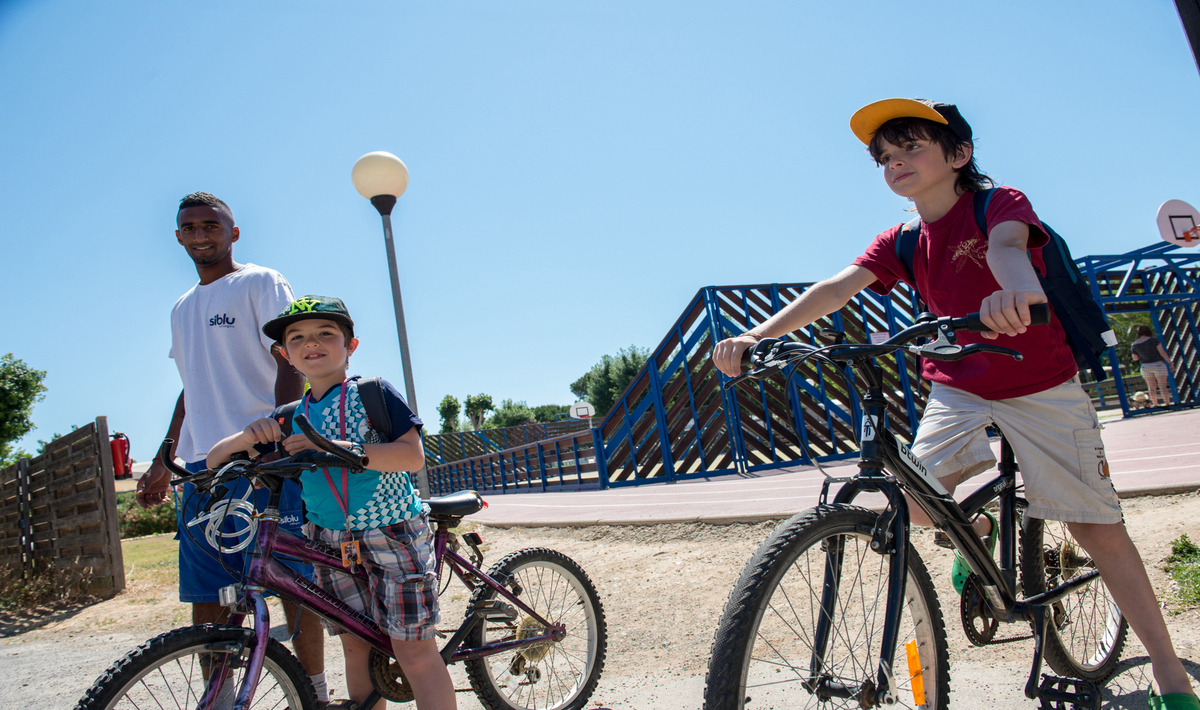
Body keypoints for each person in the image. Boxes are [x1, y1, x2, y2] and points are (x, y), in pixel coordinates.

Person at [711, 99, 1198, 709]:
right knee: (914, 503)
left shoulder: (999, 205)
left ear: (959, 155)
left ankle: (1168, 674)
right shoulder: (905, 238)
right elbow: (837, 288)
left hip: (1038, 380)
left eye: (912, 147)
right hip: (959, 384)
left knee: (1095, 526)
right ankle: (983, 529)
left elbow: (1008, 250)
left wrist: (1017, 296)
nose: (896, 162)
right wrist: (759, 336)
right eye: (885, 157)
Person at [207, 295, 456, 710]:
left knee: (413, 650)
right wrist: (249, 437)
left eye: (326, 334)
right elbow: (216, 459)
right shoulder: (289, 414)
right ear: (284, 354)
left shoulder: (373, 393)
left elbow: (412, 456)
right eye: (298, 337)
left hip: (391, 532)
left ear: (350, 346)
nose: (312, 343)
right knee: (356, 644)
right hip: (329, 539)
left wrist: (342, 448)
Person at [135, 192, 327, 703]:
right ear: (178, 237)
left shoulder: (260, 282)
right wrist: (163, 458)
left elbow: (289, 357)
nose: (201, 235)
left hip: (262, 456)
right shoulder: (181, 308)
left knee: (292, 582)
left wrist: (282, 432)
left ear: (232, 232)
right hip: (203, 466)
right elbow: (189, 387)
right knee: (208, 593)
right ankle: (217, 699)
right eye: (190, 228)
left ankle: (315, 693)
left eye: (211, 225)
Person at [1132, 325, 1174, 407]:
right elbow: (1162, 353)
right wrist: (1170, 363)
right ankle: (1167, 403)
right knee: (1162, 386)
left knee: (1151, 387)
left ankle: (1155, 404)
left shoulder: (1135, 344)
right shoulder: (1154, 341)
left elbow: (1135, 358)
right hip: (1158, 364)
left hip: (1145, 366)